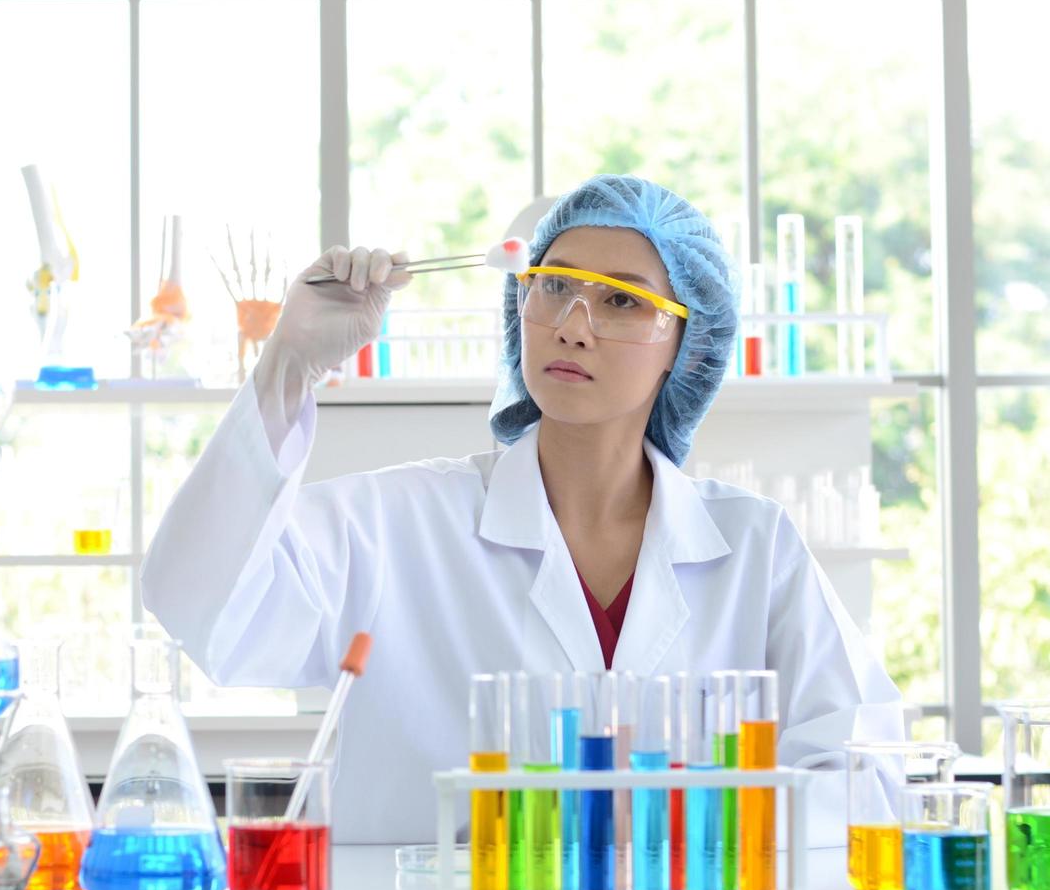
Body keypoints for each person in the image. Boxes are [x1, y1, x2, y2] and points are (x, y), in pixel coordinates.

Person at [142, 175, 903, 844]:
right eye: (553, 285)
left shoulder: (755, 546)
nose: (574, 322)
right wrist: (287, 363)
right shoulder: (392, 524)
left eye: (621, 300)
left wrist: (676, 818)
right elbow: (206, 610)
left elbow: (871, 778)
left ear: (686, 341)